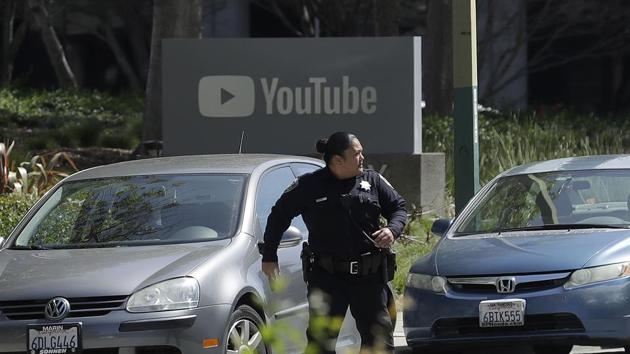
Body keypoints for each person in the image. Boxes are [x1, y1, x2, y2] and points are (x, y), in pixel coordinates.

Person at [260, 132, 407, 354]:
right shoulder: (309, 185)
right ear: (338, 160)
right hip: (327, 277)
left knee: (379, 342)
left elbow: (398, 207)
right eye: (356, 154)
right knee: (321, 344)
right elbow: (279, 216)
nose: (362, 157)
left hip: (369, 276)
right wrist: (269, 255)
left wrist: (392, 230)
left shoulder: (372, 180)